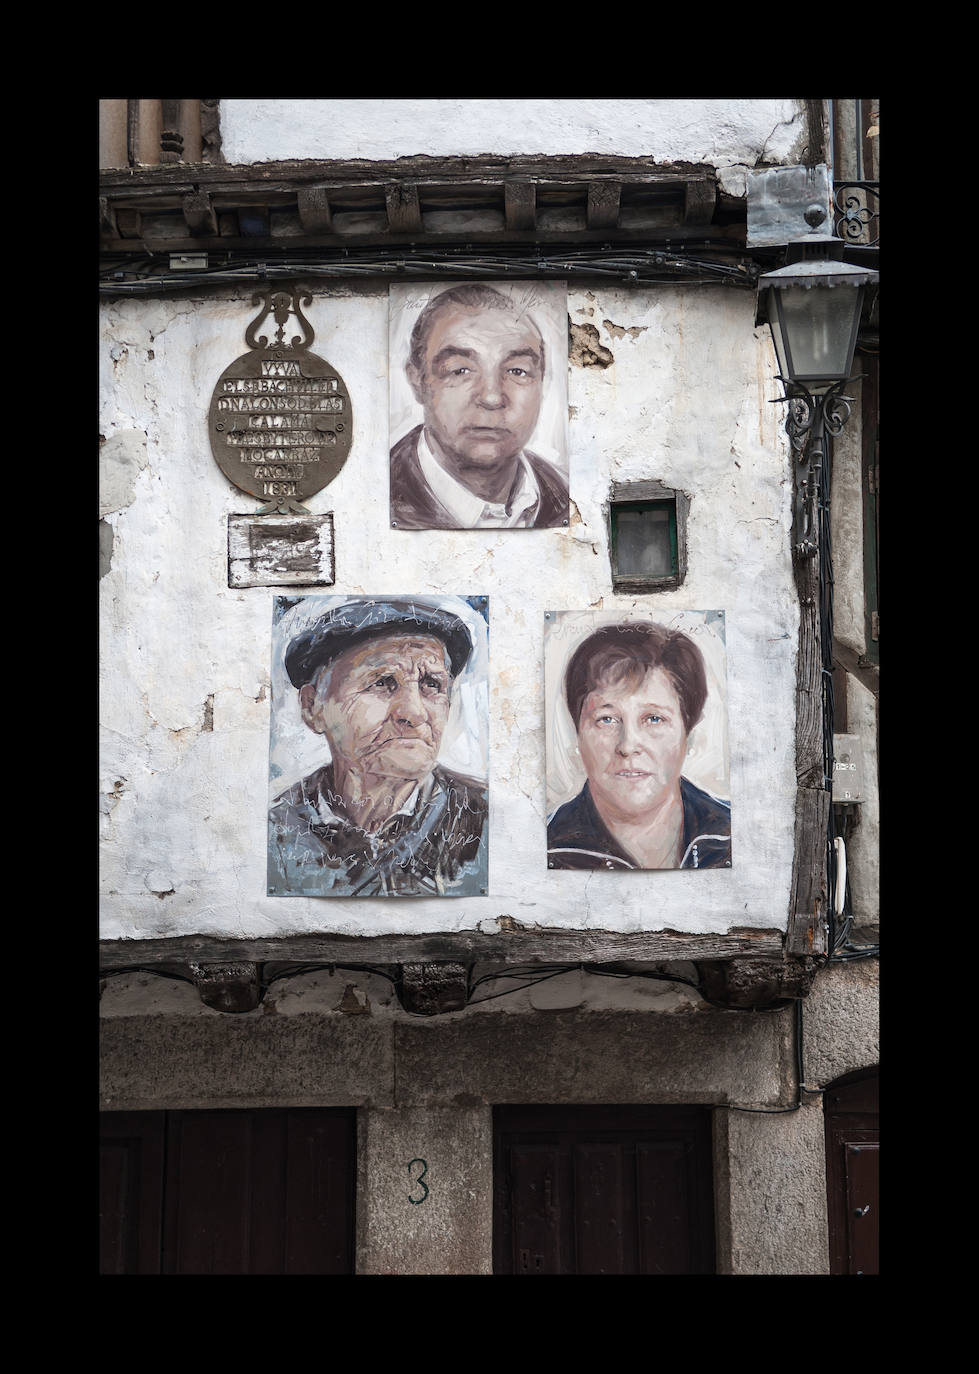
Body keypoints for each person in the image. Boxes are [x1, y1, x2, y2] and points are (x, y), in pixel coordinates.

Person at [268, 598, 488, 897]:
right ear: (312, 707)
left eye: (432, 685)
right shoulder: (277, 826)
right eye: (383, 683)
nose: (414, 713)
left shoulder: (482, 817)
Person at [547, 622, 731, 871]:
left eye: (654, 718)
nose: (628, 745)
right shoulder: (549, 847)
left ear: (687, 732)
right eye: (606, 719)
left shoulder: (729, 834)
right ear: (578, 733)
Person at [390, 284, 569, 529]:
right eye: (460, 370)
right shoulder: (376, 494)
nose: (492, 397)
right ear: (417, 381)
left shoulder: (564, 494)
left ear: (542, 381)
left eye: (518, 371)